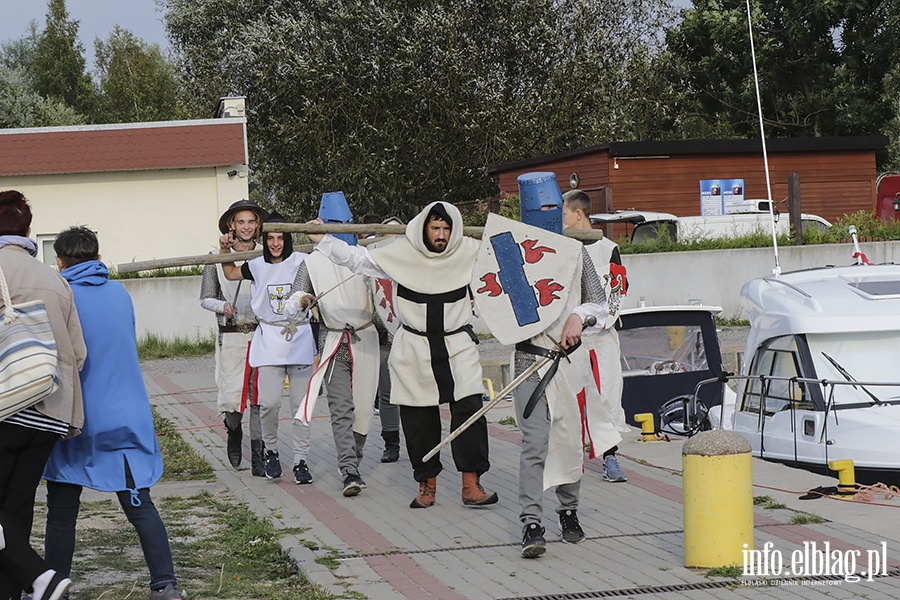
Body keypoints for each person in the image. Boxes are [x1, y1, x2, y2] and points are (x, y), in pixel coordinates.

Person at [306, 202, 498, 509]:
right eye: (435, 227)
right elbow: (358, 259)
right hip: (415, 348)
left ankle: (471, 484)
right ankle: (427, 485)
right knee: (419, 420)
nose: (441, 234)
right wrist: (325, 240)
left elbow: (510, 257)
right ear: (424, 228)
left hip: (457, 346)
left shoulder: (471, 253)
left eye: (447, 228)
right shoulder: (401, 255)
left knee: (470, 411)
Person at [41, 226, 182, 600]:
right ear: (98, 257)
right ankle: (165, 584)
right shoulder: (120, 293)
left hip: (78, 416)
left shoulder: (61, 295)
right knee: (138, 503)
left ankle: (56, 588)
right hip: (126, 414)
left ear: (59, 261)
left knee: (62, 508)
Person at [510, 173, 608, 558]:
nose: (547, 213)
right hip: (529, 362)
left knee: (568, 441)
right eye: (540, 207)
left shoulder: (575, 251)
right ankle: (531, 523)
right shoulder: (510, 251)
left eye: (553, 206)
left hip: (566, 362)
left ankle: (568, 512)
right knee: (534, 445)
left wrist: (578, 316)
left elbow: (600, 304)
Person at [0, 190, 85, 600]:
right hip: (49, 412)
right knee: (13, 510)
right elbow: (78, 353)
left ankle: (40, 576)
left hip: (4, 410)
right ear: (29, 231)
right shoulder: (56, 278)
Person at [286, 192, 380, 497]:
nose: (339, 228)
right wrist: (301, 300)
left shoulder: (365, 256)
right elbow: (292, 302)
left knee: (363, 410)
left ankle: (355, 459)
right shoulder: (311, 264)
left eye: (344, 224)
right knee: (341, 408)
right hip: (334, 340)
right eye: (333, 224)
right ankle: (349, 469)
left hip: (366, 337)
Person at [221, 212, 317, 483]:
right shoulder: (256, 265)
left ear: (288, 238)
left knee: (301, 406)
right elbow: (229, 272)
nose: (275, 243)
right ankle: (271, 452)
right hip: (269, 339)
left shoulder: (304, 262)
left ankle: (300, 460)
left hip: (299, 338)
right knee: (269, 403)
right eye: (271, 238)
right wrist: (223, 249)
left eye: (280, 238)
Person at [563, 190, 630, 483]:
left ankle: (610, 457)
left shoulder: (607, 249)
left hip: (600, 335)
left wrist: (593, 319)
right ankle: (570, 459)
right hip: (568, 338)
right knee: (570, 397)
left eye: (564, 214)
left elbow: (616, 294)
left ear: (579, 214)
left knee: (606, 397)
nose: (561, 220)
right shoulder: (560, 247)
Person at [200, 200, 268, 475]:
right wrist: (222, 306)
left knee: (260, 396)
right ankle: (234, 433)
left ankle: (260, 453)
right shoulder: (216, 256)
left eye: (251, 222)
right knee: (232, 396)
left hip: (262, 334)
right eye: (241, 222)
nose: (247, 227)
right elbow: (205, 298)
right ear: (231, 225)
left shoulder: (268, 254)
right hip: (231, 336)